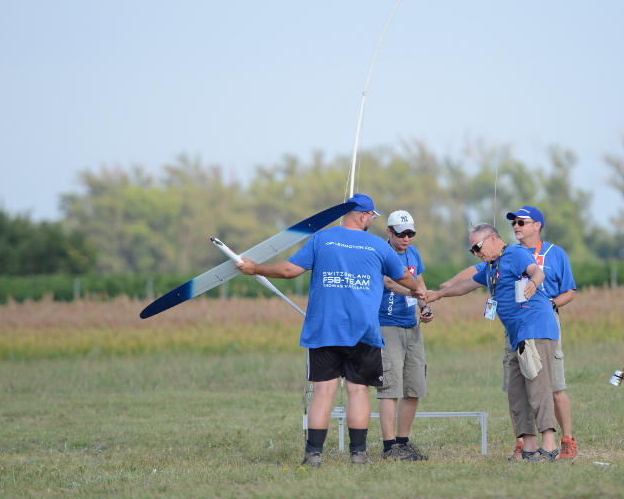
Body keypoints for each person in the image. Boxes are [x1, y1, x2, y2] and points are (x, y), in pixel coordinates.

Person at [236, 194, 426, 467]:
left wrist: (256, 268)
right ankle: (358, 454)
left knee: (323, 391)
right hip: (364, 330)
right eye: (372, 215)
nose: (372, 220)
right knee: (358, 391)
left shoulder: (321, 239)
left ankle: (314, 454)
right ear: (362, 215)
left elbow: (290, 270)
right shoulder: (377, 246)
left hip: (324, 328)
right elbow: (404, 277)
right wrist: (418, 289)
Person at [440, 206, 578, 460]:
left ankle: (557, 443)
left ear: (537, 225)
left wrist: (539, 290)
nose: (516, 226)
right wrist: (440, 291)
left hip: (539, 325)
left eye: (522, 222)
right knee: (517, 389)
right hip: (514, 330)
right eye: (514, 222)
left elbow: (551, 280)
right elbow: (469, 278)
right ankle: (526, 447)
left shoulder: (532, 253)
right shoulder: (496, 262)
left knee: (545, 386)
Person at [377, 210, 434, 461]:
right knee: (390, 387)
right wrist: (413, 294)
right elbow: (389, 282)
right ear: (389, 232)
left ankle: (403, 442)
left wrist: (426, 307)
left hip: (412, 328)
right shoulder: (381, 251)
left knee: (414, 386)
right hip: (386, 326)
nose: (407, 238)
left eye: (410, 233)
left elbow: (418, 281)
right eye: (402, 234)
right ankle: (389, 447)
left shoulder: (413, 253)